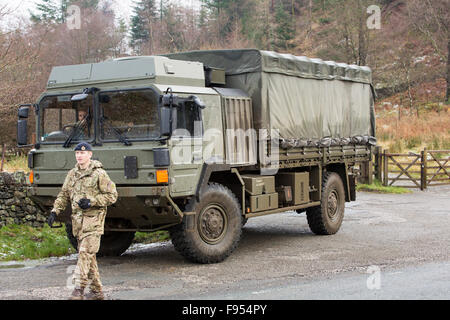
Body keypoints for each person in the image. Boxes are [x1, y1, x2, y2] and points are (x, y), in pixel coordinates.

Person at [47, 142, 118, 300]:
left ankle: (78, 290)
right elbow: (64, 194)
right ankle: (97, 291)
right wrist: (54, 211)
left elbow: (112, 195)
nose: (79, 155)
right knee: (89, 257)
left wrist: (91, 201)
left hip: (94, 221)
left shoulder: (99, 174)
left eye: (83, 153)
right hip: (78, 223)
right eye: (77, 153)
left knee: (84, 252)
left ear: (90, 155)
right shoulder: (72, 174)